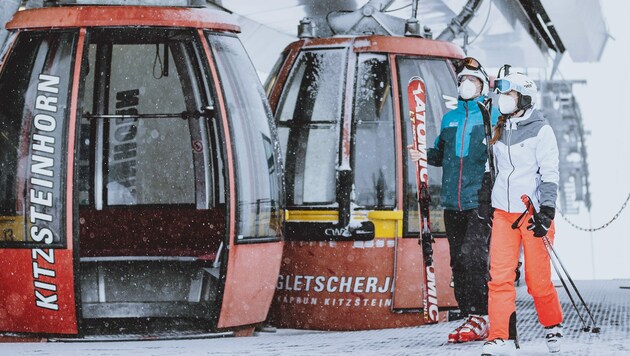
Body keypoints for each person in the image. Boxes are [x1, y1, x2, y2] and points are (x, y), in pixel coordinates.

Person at [410, 57, 499, 343]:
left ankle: (482, 314)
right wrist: (422, 153)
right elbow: (441, 153)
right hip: (452, 200)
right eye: (462, 81)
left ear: (483, 86)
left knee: (473, 256)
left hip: (479, 200)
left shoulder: (491, 118)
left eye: (472, 81)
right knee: (457, 262)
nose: (466, 86)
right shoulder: (450, 119)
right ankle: (469, 314)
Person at [478, 72, 563, 355]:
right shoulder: (500, 127)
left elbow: (550, 173)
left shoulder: (541, 130)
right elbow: (493, 166)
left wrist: (547, 211)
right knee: (499, 277)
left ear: (524, 99)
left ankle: (552, 325)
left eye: (510, 96)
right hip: (504, 212)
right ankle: (500, 336)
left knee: (537, 281)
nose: (504, 100)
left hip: (532, 213)